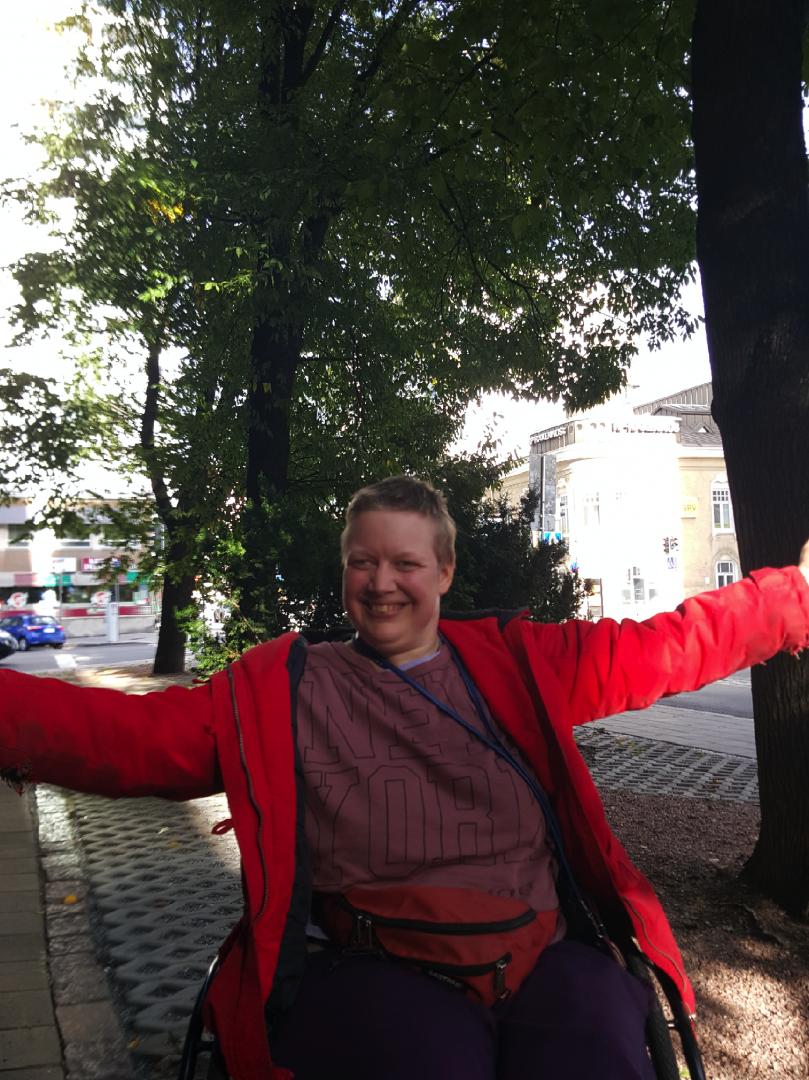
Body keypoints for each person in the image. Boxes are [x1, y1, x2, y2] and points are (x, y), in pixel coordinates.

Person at [2, 475, 808, 1080]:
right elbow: (129, 739)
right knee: (421, 1059)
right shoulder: (284, 689)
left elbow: (665, 646)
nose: (381, 582)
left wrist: (790, 600)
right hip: (375, 965)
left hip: (540, 950)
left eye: (404, 562)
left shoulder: (519, 664)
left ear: (444, 572)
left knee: (594, 1042)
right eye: (362, 561)